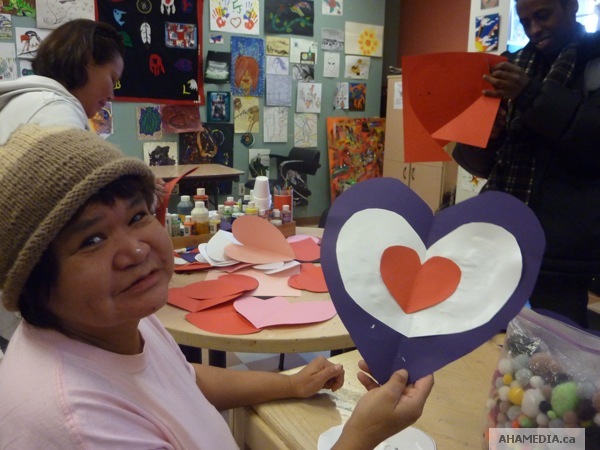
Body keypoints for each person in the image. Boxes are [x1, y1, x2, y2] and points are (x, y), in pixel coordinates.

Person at [0, 125, 433, 449]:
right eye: (92, 239)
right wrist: (361, 435)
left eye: (137, 216)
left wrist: (290, 384)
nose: (134, 249)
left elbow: (182, 379)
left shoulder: (113, 322)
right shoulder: (82, 425)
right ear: (32, 280)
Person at [453, 0, 600, 327]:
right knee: (485, 333)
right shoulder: (510, 66)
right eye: (525, 21)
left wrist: (530, 95)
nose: (535, 29)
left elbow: (592, 144)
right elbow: (482, 165)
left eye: (543, 15)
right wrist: (487, 136)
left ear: (571, 7)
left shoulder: (593, 62)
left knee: (557, 344)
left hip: (562, 249)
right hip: (499, 233)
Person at [0, 18, 125, 344]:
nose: (112, 94)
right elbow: (75, 207)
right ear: (87, 60)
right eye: (112, 78)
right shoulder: (55, 109)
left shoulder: (25, 102)